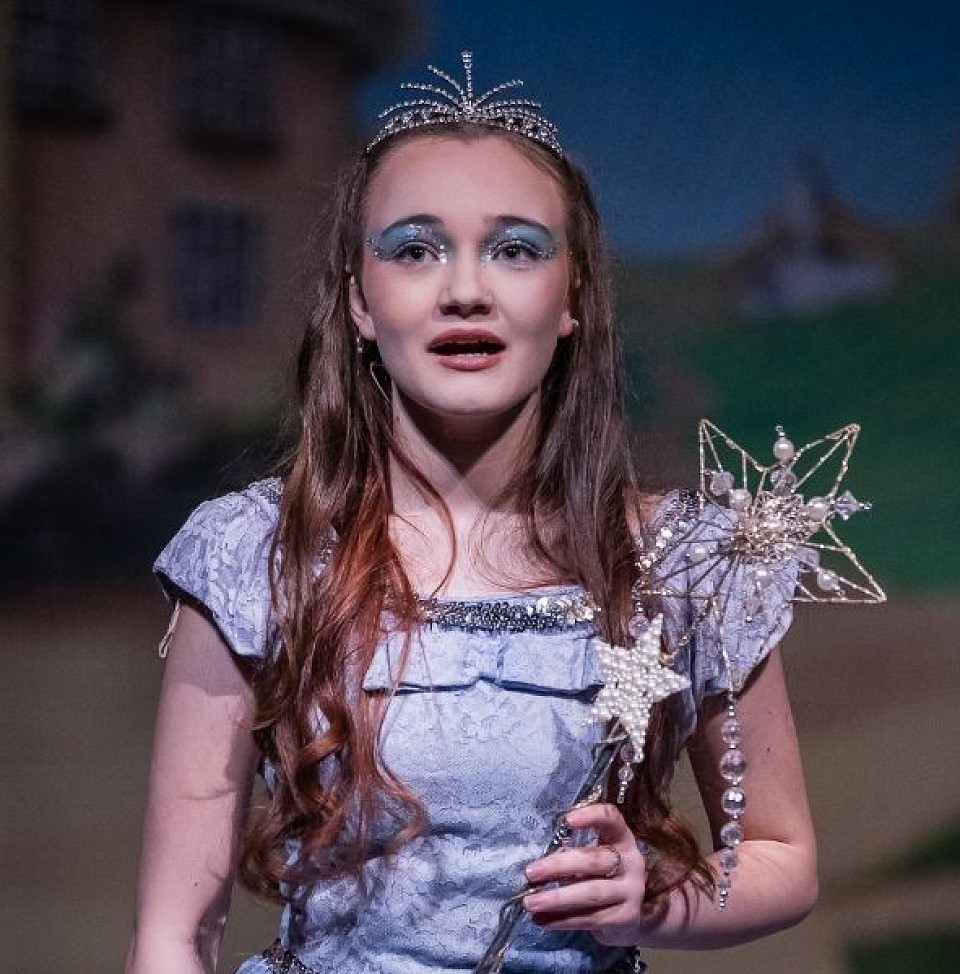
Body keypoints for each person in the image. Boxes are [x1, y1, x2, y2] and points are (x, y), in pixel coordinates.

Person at [126, 52, 817, 974]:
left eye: (516, 248)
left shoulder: (682, 561)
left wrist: (651, 900)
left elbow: (782, 856)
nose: (465, 287)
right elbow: (174, 935)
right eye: (414, 247)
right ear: (358, 300)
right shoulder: (258, 553)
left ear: (571, 296)